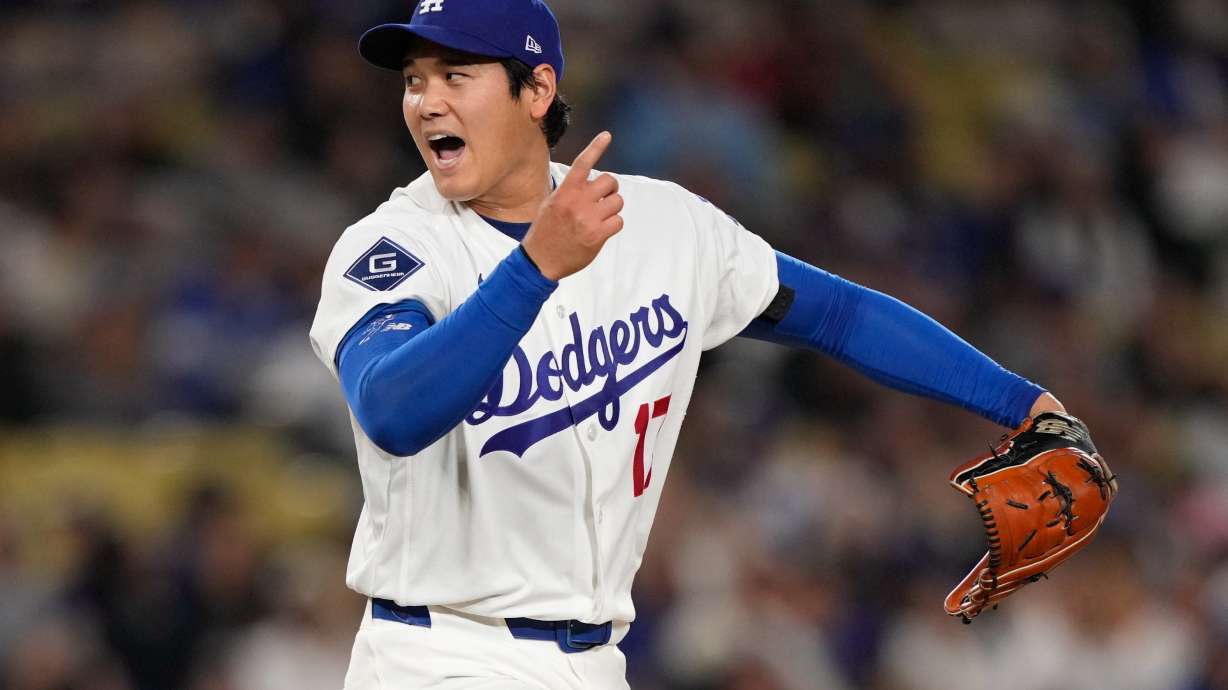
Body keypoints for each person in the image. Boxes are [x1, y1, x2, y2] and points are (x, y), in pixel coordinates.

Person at [308, 0, 1067, 687]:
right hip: (441, 654)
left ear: (536, 91)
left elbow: (838, 315)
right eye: (414, 81)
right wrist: (533, 270)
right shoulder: (394, 248)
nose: (426, 100)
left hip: (596, 660)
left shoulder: (663, 225)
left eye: (455, 75)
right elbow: (392, 411)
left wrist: (1020, 404)